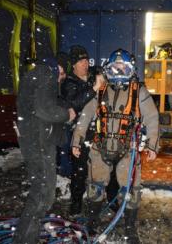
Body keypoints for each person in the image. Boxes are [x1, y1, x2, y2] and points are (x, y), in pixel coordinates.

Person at [72, 49, 159, 243]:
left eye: (123, 68)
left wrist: (152, 145)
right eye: (115, 68)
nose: (119, 72)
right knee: (95, 188)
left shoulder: (139, 92)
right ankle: (92, 222)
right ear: (108, 70)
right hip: (100, 148)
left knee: (131, 191)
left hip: (127, 150)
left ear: (131, 69)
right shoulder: (100, 90)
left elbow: (152, 118)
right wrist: (76, 139)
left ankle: (130, 228)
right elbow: (85, 116)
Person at [12, 53, 76, 244]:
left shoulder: (37, 74)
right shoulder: (47, 73)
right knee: (42, 195)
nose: (62, 78)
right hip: (38, 144)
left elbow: (36, 108)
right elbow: (44, 109)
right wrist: (67, 114)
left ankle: (24, 238)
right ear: (60, 68)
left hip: (35, 142)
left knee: (41, 194)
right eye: (63, 74)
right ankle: (25, 240)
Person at [59, 45, 105, 216]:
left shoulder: (92, 74)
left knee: (103, 167)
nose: (85, 64)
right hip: (80, 133)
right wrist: (93, 88)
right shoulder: (69, 83)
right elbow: (75, 104)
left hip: (100, 130)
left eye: (87, 60)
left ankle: (103, 197)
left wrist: (102, 71)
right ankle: (76, 202)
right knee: (80, 171)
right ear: (73, 64)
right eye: (81, 61)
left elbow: (101, 70)